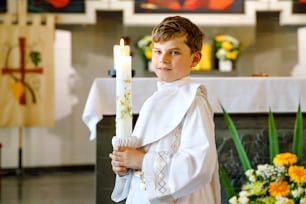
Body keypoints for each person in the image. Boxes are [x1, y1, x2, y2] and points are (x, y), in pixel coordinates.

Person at [109, 15, 221, 204]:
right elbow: (140, 157)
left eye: (174, 52)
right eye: (158, 51)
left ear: (195, 59)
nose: (164, 59)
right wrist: (124, 166)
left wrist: (141, 161)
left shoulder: (194, 101)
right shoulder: (153, 101)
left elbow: (200, 165)